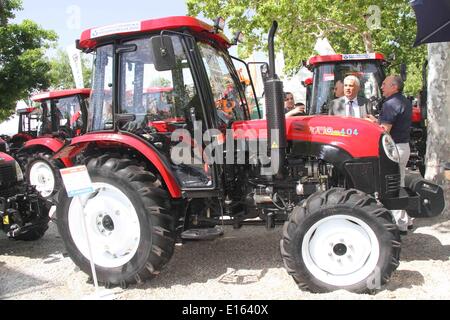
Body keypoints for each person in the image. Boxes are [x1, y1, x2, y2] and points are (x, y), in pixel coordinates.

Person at [367, 75, 414, 233]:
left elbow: (385, 131)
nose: (382, 87)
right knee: (399, 182)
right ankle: (405, 220)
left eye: (385, 84)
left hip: (394, 148)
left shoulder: (390, 104)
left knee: (392, 187)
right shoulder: (404, 101)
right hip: (403, 146)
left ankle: (400, 223)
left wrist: (372, 124)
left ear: (394, 87)